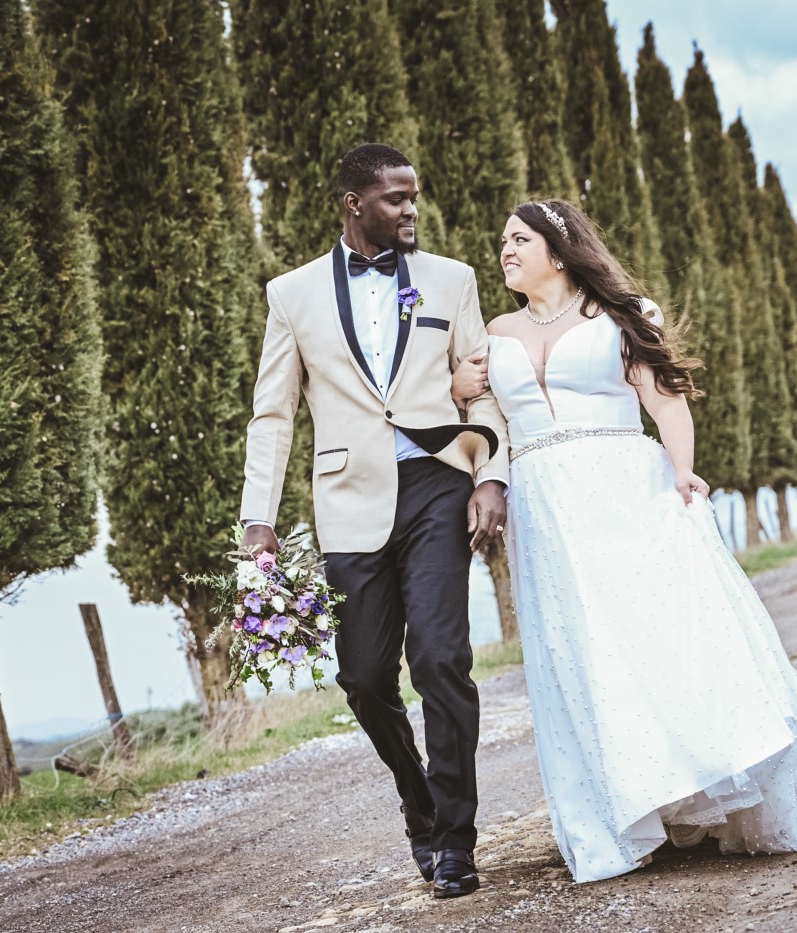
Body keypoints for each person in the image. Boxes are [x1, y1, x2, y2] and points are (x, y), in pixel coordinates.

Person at [449, 198, 797, 884]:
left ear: (559, 252)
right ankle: (625, 812)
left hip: (624, 487)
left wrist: (683, 471)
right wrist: (461, 387)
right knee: (585, 654)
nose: (504, 249)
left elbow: (665, 402)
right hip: (547, 507)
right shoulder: (496, 331)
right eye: (502, 239)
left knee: (665, 636)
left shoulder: (621, 317)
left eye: (518, 239)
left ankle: (740, 780)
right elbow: (483, 411)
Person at [239, 144, 509, 899]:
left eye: (414, 197)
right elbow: (273, 412)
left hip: (435, 483)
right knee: (362, 677)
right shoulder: (290, 295)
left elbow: (482, 393)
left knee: (440, 658)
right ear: (353, 204)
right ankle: (419, 802)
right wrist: (256, 517)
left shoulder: (452, 281)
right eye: (395, 199)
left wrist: (490, 474)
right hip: (348, 500)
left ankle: (455, 840)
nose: (410, 210)